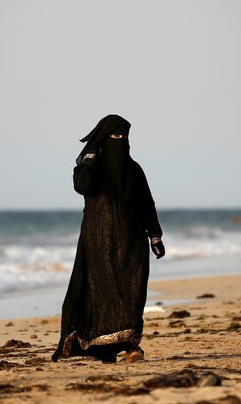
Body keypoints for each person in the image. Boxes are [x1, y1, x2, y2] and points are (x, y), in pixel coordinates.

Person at [52, 115, 165, 363]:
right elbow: (83, 186)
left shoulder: (134, 169)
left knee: (132, 291)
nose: (121, 141)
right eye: (115, 136)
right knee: (100, 295)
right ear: (103, 138)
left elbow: (147, 202)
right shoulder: (90, 167)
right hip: (98, 242)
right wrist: (90, 158)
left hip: (132, 241)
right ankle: (104, 349)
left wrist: (155, 235)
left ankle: (130, 346)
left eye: (125, 136)